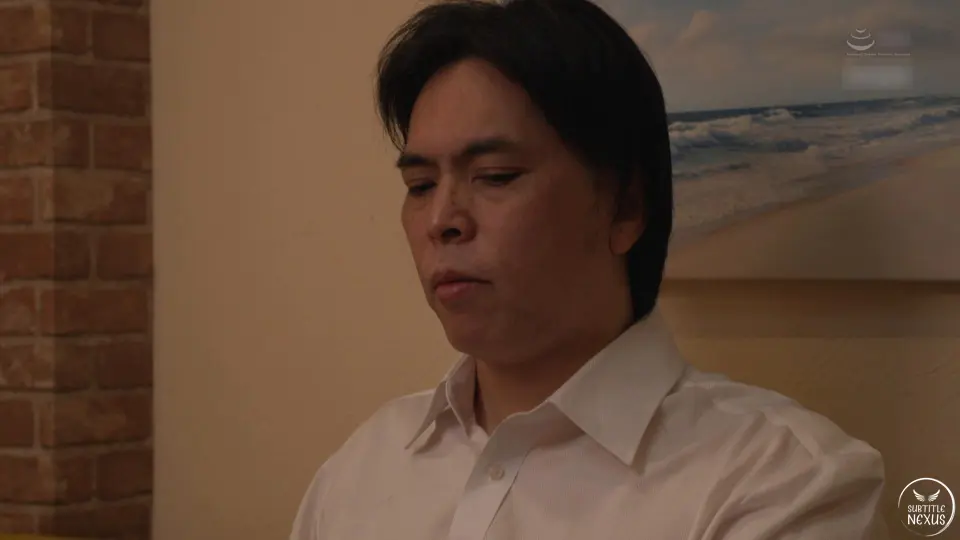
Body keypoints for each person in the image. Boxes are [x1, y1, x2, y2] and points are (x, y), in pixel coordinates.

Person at [290, 0, 887, 538]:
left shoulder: (781, 483)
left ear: (625, 208)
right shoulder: (364, 466)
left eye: (495, 176)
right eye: (420, 185)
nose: (441, 219)